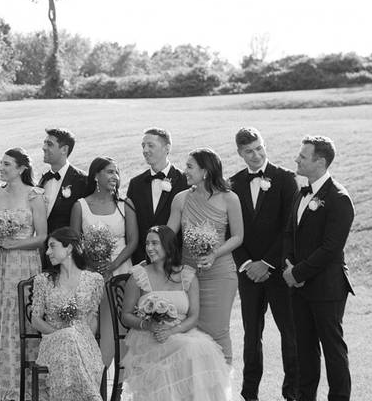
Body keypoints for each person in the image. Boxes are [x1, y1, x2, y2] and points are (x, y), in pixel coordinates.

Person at [120, 226, 229, 401]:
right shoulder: (138, 276)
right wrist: (148, 324)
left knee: (201, 348)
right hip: (149, 336)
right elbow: (125, 315)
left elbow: (193, 316)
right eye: (147, 243)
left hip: (181, 332)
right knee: (192, 349)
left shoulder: (187, 276)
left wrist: (171, 331)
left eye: (155, 243)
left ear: (168, 245)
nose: (149, 248)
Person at [229, 128, 299, 401]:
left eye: (259, 148)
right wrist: (247, 263)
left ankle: (291, 392)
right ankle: (250, 393)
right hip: (249, 274)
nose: (256, 155)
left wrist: (267, 263)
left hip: (280, 272)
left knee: (290, 334)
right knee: (251, 336)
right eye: (249, 151)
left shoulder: (285, 179)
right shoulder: (232, 184)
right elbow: (230, 230)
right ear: (240, 153)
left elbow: (289, 228)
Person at [283, 136, 354, 401]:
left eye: (302, 156)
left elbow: (330, 248)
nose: (296, 159)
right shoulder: (300, 193)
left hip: (327, 287)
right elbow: (288, 234)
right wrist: (288, 268)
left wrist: (298, 274)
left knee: (333, 349)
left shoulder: (338, 198)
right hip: (298, 286)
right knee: (304, 348)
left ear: (320, 161)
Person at [0, 147, 47, 400]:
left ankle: (25, 386)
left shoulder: (34, 196)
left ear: (21, 168)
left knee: (23, 317)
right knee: (0, 317)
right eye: (0, 163)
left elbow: (41, 237)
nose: (1, 167)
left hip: (25, 263)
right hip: (1, 265)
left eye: (7, 164)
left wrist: (15, 244)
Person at [167, 147, 243, 363]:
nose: (185, 171)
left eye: (190, 167)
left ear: (206, 171)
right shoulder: (181, 199)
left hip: (220, 274)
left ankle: (221, 387)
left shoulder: (230, 199)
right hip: (187, 275)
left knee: (218, 331)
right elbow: (169, 235)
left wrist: (214, 254)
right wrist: (156, 246)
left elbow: (238, 237)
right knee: (189, 332)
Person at [70, 156, 138, 367]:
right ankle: (94, 374)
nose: (114, 177)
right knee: (97, 326)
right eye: (109, 171)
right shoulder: (80, 206)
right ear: (96, 175)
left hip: (122, 273)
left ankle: (119, 383)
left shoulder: (125, 204)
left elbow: (133, 240)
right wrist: (92, 263)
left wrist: (113, 265)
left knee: (123, 329)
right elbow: (74, 241)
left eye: (116, 172)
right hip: (90, 274)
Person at [30, 227, 105, 401]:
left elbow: (92, 319)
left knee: (72, 338)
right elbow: (35, 319)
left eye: (52, 246)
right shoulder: (43, 281)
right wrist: (63, 334)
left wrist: (82, 339)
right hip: (53, 342)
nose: (48, 252)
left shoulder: (94, 280)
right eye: (47, 247)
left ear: (69, 248)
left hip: (84, 344)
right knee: (68, 336)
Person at [126, 128, 186, 265]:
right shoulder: (135, 184)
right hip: (144, 260)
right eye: (143, 146)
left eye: (150, 145)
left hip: (176, 260)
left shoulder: (184, 181)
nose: (145, 150)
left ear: (167, 148)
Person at [39, 128, 89, 236]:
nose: (44, 148)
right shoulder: (44, 179)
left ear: (64, 150)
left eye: (49, 144)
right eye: (44, 143)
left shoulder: (82, 180)